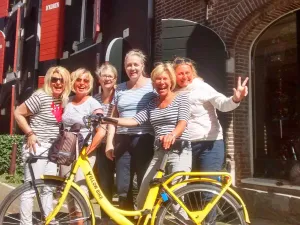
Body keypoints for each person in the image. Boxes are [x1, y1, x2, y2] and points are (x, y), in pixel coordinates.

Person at [105, 63, 192, 210]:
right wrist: (108, 119)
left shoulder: (181, 98)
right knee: (144, 196)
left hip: (179, 151)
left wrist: (172, 135)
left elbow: (183, 122)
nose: (161, 83)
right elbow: (134, 120)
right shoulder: (152, 104)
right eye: (157, 79)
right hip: (159, 152)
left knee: (176, 199)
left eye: (164, 79)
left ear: (171, 80)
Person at [14, 66, 71, 224]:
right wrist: (30, 133)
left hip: (52, 150)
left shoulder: (62, 100)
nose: (58, 83)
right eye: (54, 79)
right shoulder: (41, 96)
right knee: (30, 188)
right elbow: (18, 112)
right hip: (37, 147)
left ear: (66, 82)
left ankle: (49, 219)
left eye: (61, 80)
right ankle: (25, 223)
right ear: (48, 80)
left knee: (48, 188)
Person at [173, 57, 248, 175]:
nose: (185, 76)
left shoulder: (202, 87)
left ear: (192, 73)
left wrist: (236, 98)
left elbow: (223, 105)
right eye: (180, 74)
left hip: (209, 144)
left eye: (187, 73)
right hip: (184, 145)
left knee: (207, 186)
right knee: (187, 188)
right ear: (174, 75)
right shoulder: (172, 92)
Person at [105, 49, 156, 210]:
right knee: (122, 186)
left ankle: (145, 219)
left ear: (142, 65)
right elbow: (113, 117)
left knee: (144, 183)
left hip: (144, 139)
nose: (132, 68)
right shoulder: (119, 88)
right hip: (122, 140)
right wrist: (109, 143)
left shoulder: (152, 85)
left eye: (136, 64)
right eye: (128, 65)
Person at [60, 68, 105, 223]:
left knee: (80, 188)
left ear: (90, 84)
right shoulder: (67, 101)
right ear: (73, 82)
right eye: (78, 80)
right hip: (66, 151)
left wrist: (88, 150)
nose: (82, 83)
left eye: (86, 80)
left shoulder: (93, 103)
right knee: (67, 191)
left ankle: (83, 222)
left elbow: (101, 131)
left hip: (84, 152)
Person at [93, 63, 117, 224]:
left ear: (115, 79)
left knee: (123, 182)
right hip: (101, 145)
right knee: (104, 183)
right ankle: (106, 217)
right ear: (99, 79)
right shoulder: (94, 99)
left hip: (119, 142)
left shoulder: (120, 95)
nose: (107, 78)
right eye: (104, 75)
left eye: (111, 75)